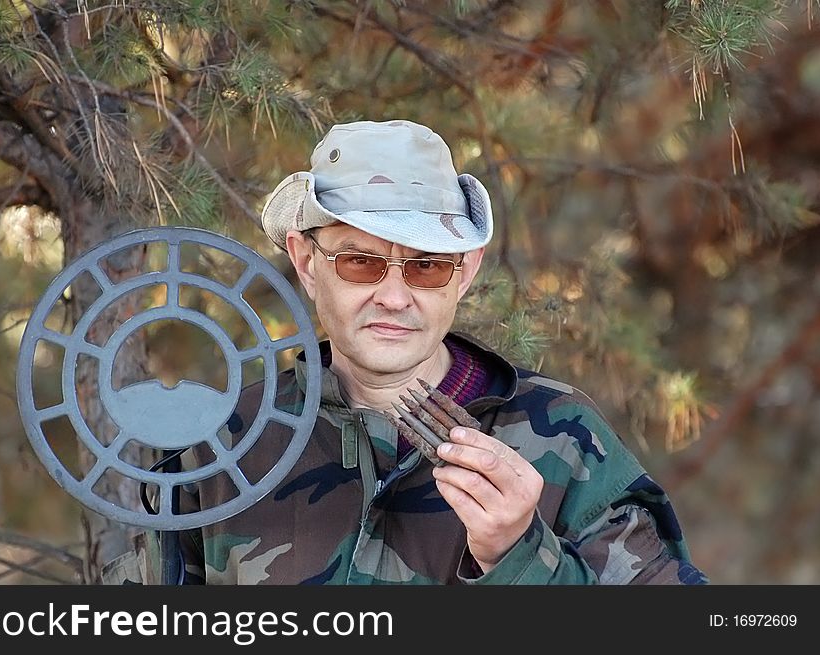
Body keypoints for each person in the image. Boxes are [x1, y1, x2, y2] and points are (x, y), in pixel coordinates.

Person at [105, 119, 708, 585]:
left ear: (465, 271)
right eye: (360, 260)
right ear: (307, 261)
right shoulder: (225, 444)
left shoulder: (566, 439)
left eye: (426, 267)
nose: (394, 296)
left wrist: (518, 555)